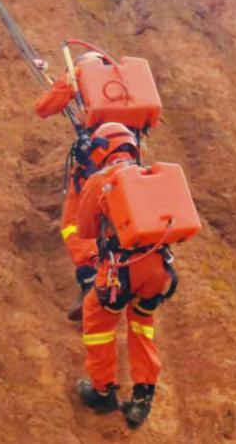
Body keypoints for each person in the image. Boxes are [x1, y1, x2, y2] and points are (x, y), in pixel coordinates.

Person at [72, 123, 177, 429]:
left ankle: (103, 391)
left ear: (101, 149)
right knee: (142, 324)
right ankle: (142, 399)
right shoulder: (149, 175)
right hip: (157, 271)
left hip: (121, 271)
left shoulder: (100, 180)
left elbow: (85, 231)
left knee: (98, 321)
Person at [34, 52, 115, 322]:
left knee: (74, 224)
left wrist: (67, 77)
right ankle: (121, 276)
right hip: (128, 160)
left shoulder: (81, 74)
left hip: (94, 162)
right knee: (114, 222)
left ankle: (93, 280)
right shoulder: (124, 87)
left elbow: (44, 107)